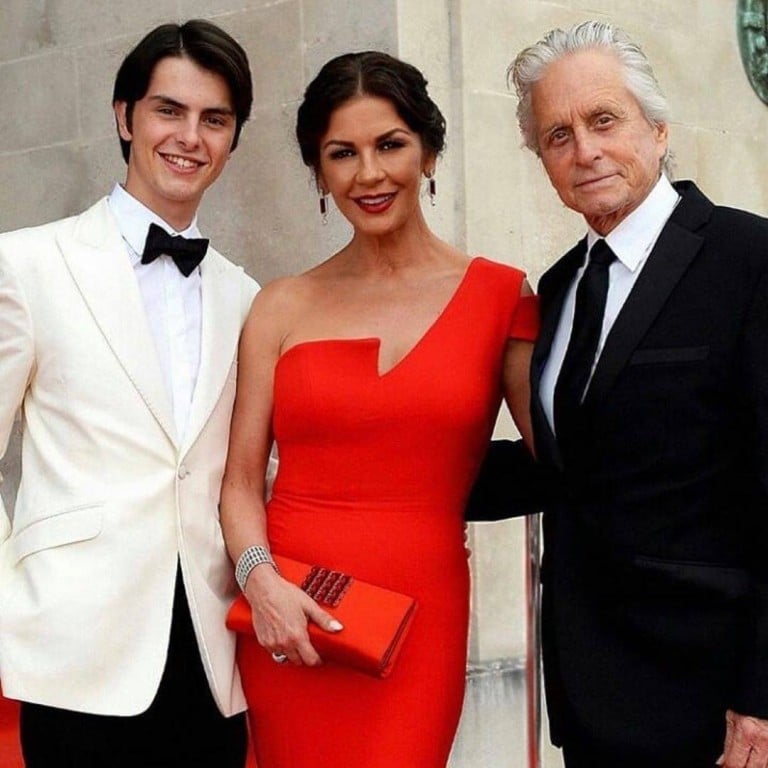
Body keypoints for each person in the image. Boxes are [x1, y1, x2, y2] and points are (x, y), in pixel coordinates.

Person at [219, 50, 538, 767]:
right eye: (342, 154)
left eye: (390, 145)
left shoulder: (501, 296)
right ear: (319, 174)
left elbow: (563, 455)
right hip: (285, 616)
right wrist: (260, 581)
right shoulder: (280, 305)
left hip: (420, 618)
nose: (369, 174)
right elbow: (239, 483)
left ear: (428, 151)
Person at [467, 19, 768, 768]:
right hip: (593, 692)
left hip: (719, 700)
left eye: (604, 120)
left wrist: (762, 695)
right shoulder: (563, 285)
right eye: (557, 135)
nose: (585, 150)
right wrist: (377, 472)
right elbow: (571, 466)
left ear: (659, 130)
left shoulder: (751, 260)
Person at [0, 20, 259, 768]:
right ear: (125, 117)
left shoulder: (246, 296)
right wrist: (15, 603)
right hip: (76, 649)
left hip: (210, 657)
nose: (190, 136)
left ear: (233, 138)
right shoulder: (29, 265)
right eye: (168, 110)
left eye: (214, 119)